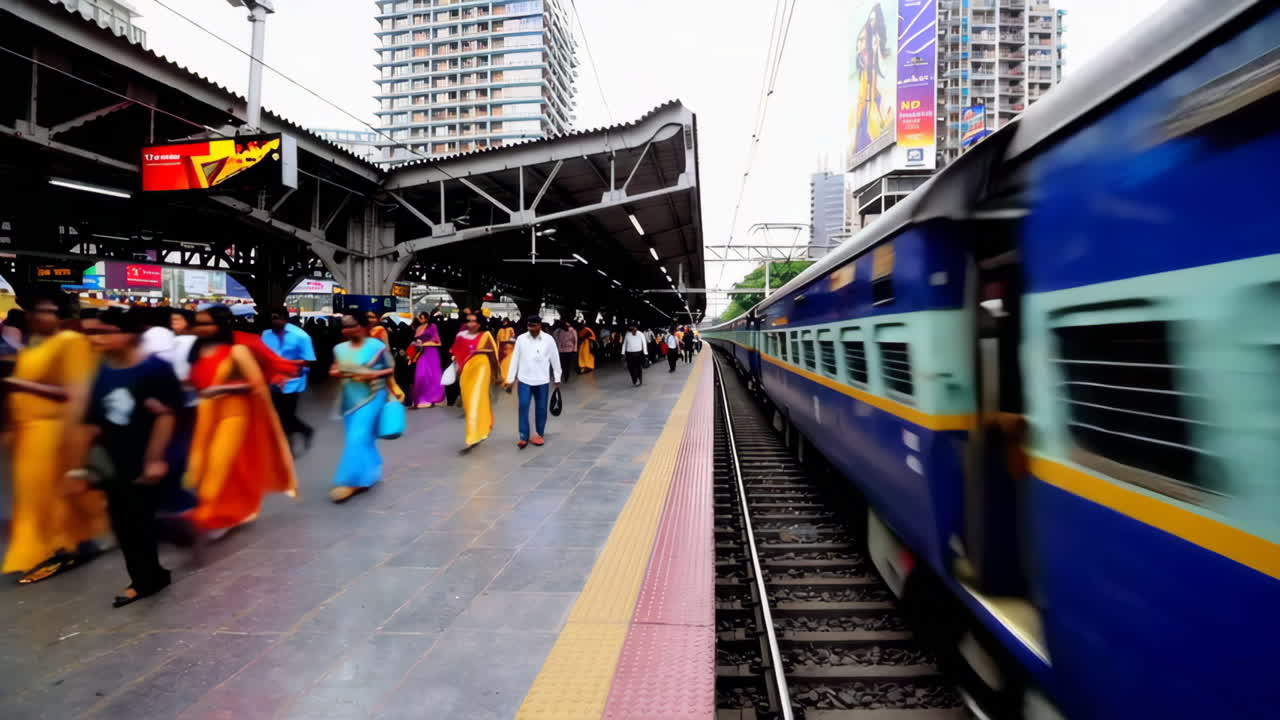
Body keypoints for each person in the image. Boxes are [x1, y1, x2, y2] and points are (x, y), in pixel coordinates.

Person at [71, 308, 182, 607]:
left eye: (105, 332)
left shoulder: (154, 369)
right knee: (124, 524)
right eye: (93, 333)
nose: (97, 339)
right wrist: (79, 468)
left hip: (145, 458)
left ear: (130, 335)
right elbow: (92, 422)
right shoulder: (101, 371)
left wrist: (155, 458)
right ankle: (151, 575)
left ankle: (147, 579)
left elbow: (166, 415)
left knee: (138, 522)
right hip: (113, 460)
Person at [2, 291, 107, 584]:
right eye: (36, 311)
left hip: (54, 430)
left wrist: (23, 385)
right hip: (28, 433)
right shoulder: (32, 346)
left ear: (61, 316)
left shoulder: (69, 343)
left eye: (48, 311)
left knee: (51, 492)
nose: (40, 317)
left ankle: (65, 545)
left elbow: (77, 393)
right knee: (31, 496)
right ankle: (54, 546)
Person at [186, 306, 298, 536]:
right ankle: (233, 508)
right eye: (198, 323)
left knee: (219, 463)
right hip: (204, 416)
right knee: (201, 465)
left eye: (207, 323)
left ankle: (211, 515)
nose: (201, 328)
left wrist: (219, 389)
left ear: (221, 324)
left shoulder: (237, 350)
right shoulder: (195, 351)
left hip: (234, 415)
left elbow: (255, 385)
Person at [329, 311, 396, 502]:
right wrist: (338, 372)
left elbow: (390, 368)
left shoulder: (376, 345)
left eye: (352, 325)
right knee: (362, 436)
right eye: (345, 326)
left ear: (362, 326)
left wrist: (372, 375)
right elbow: (334, 368)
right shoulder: (339, 349)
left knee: (357, 436)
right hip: (349, 399)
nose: (348, 329)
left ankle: (350, 481)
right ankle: (371, 470)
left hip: (373, 396)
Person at [262, 307, 316, 452]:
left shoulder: (301, 336)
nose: (274, 321)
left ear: (285, 319)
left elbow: (309, 360)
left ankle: (287, 448)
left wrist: (285, 365)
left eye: (277, 318)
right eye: (272, 318)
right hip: (272, 381)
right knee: (277, 415)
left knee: (285, 415)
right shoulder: (265, 335)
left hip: (293, 382)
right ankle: (303, 431)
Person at [503, 315, 562, 448]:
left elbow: (555, 358)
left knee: (541, 409)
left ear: (539, 326)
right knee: (523, 406)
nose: (531, 329)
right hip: (524, 380)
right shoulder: (521, 339)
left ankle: (539, 435)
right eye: (529, 326)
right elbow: (515, 360)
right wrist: (510, 379)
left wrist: (557, 378)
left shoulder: (548, 340)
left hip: (542, 380)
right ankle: (524, 436)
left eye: (533, 326)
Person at [449, 312, 500, 450]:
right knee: (467, 401)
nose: (471, 324)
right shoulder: (461, 336)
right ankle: (483, 424)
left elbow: (494, 354)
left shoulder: (486, 335)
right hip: (467, 369)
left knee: (475, 399)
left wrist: (497, 375)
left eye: (474, 321)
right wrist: (457, 365)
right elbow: (455, 352)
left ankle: (473, 436)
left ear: (480, 323)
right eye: (469, 321)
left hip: (482, 367)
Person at [366, 311, 406, 405]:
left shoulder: (380, 329)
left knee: (384, 384)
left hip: (380, 361)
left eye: (372, 317)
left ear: (377, 319)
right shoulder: (365, 330)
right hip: (368, 361)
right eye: (367, 317)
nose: (370, 319)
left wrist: (389, 361)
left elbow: (386, 347)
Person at [409, 312, 446, 408]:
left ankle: (433, 399)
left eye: (422, 318)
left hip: (431, 352)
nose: (421, 320)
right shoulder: (418, 328)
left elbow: (438, 342)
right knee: (420, 375)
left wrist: (424, 344)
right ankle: (419, 400)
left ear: (427, 318)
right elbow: (415, 341)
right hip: (421, 353)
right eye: (419, 318)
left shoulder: (432, 326)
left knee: (433, 376)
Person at [495, 318, 516, 386]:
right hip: (504, 348)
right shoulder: (504, 329)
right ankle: (504, 378)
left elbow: (513, 338)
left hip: (506, 348)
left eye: (504, 321)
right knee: (504, 364)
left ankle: (506, 379)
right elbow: (498, 339)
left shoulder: (507, 329)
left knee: (505, 364)